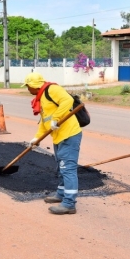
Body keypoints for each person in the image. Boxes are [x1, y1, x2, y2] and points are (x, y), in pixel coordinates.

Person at [23, 72, 82, 215]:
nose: (27, 89)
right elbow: (45, 122)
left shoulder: (51, 90)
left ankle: (69, 204)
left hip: (69, 135)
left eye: (27, 86)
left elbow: (67, 100)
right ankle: (61, 194)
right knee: (61, 167)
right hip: (58, 137)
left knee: (68, 168)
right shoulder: (41, 98)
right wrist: (36, 139)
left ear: (33, 86)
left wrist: (56, 118)